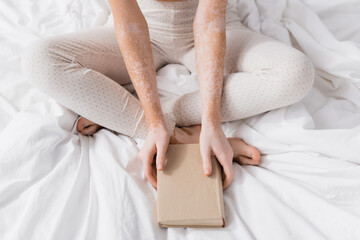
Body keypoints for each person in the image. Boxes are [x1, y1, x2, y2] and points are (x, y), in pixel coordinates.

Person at [21, 0, 315, 190]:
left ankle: (141, 112)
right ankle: (171, 132)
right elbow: (131, 24)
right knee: (38, 60)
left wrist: (211, 124)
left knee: (296, 74)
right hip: (141, 26)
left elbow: (209, 23)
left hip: (216, 24)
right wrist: (153, 124)